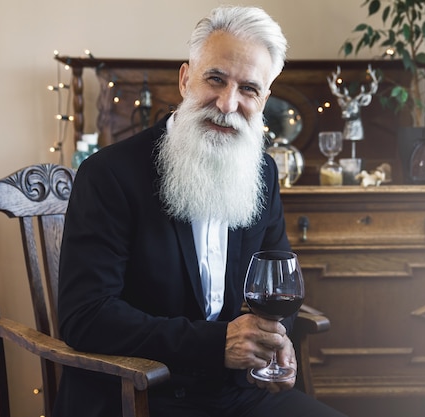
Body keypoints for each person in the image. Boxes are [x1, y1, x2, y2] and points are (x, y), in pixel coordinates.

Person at [53, 6, 347, 417]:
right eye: (215, 79)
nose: (228, 104)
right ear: (185, 78)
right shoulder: (108, 174)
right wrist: (217, 343)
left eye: (248, 89)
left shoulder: (262, 172)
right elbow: (86, 316)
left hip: (238, 394)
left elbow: (278, 281)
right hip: (137, 396)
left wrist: (279, 342)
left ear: (264, 99)